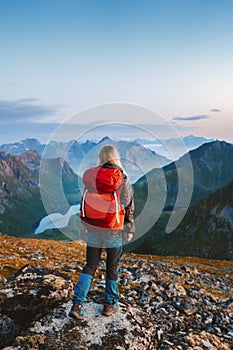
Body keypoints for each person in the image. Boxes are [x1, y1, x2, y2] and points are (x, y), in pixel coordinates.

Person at [69, 145, 135, 320]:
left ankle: (77, 304)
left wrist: (85, 222)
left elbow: (84, 201)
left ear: (100, 157)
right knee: (111, 268)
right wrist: (129, 228)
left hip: (93, 227)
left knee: (90, 265)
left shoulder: (92, 176)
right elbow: (127, 204)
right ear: (116, 157)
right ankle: (109, 304)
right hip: (113, 228)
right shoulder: (122, 176)